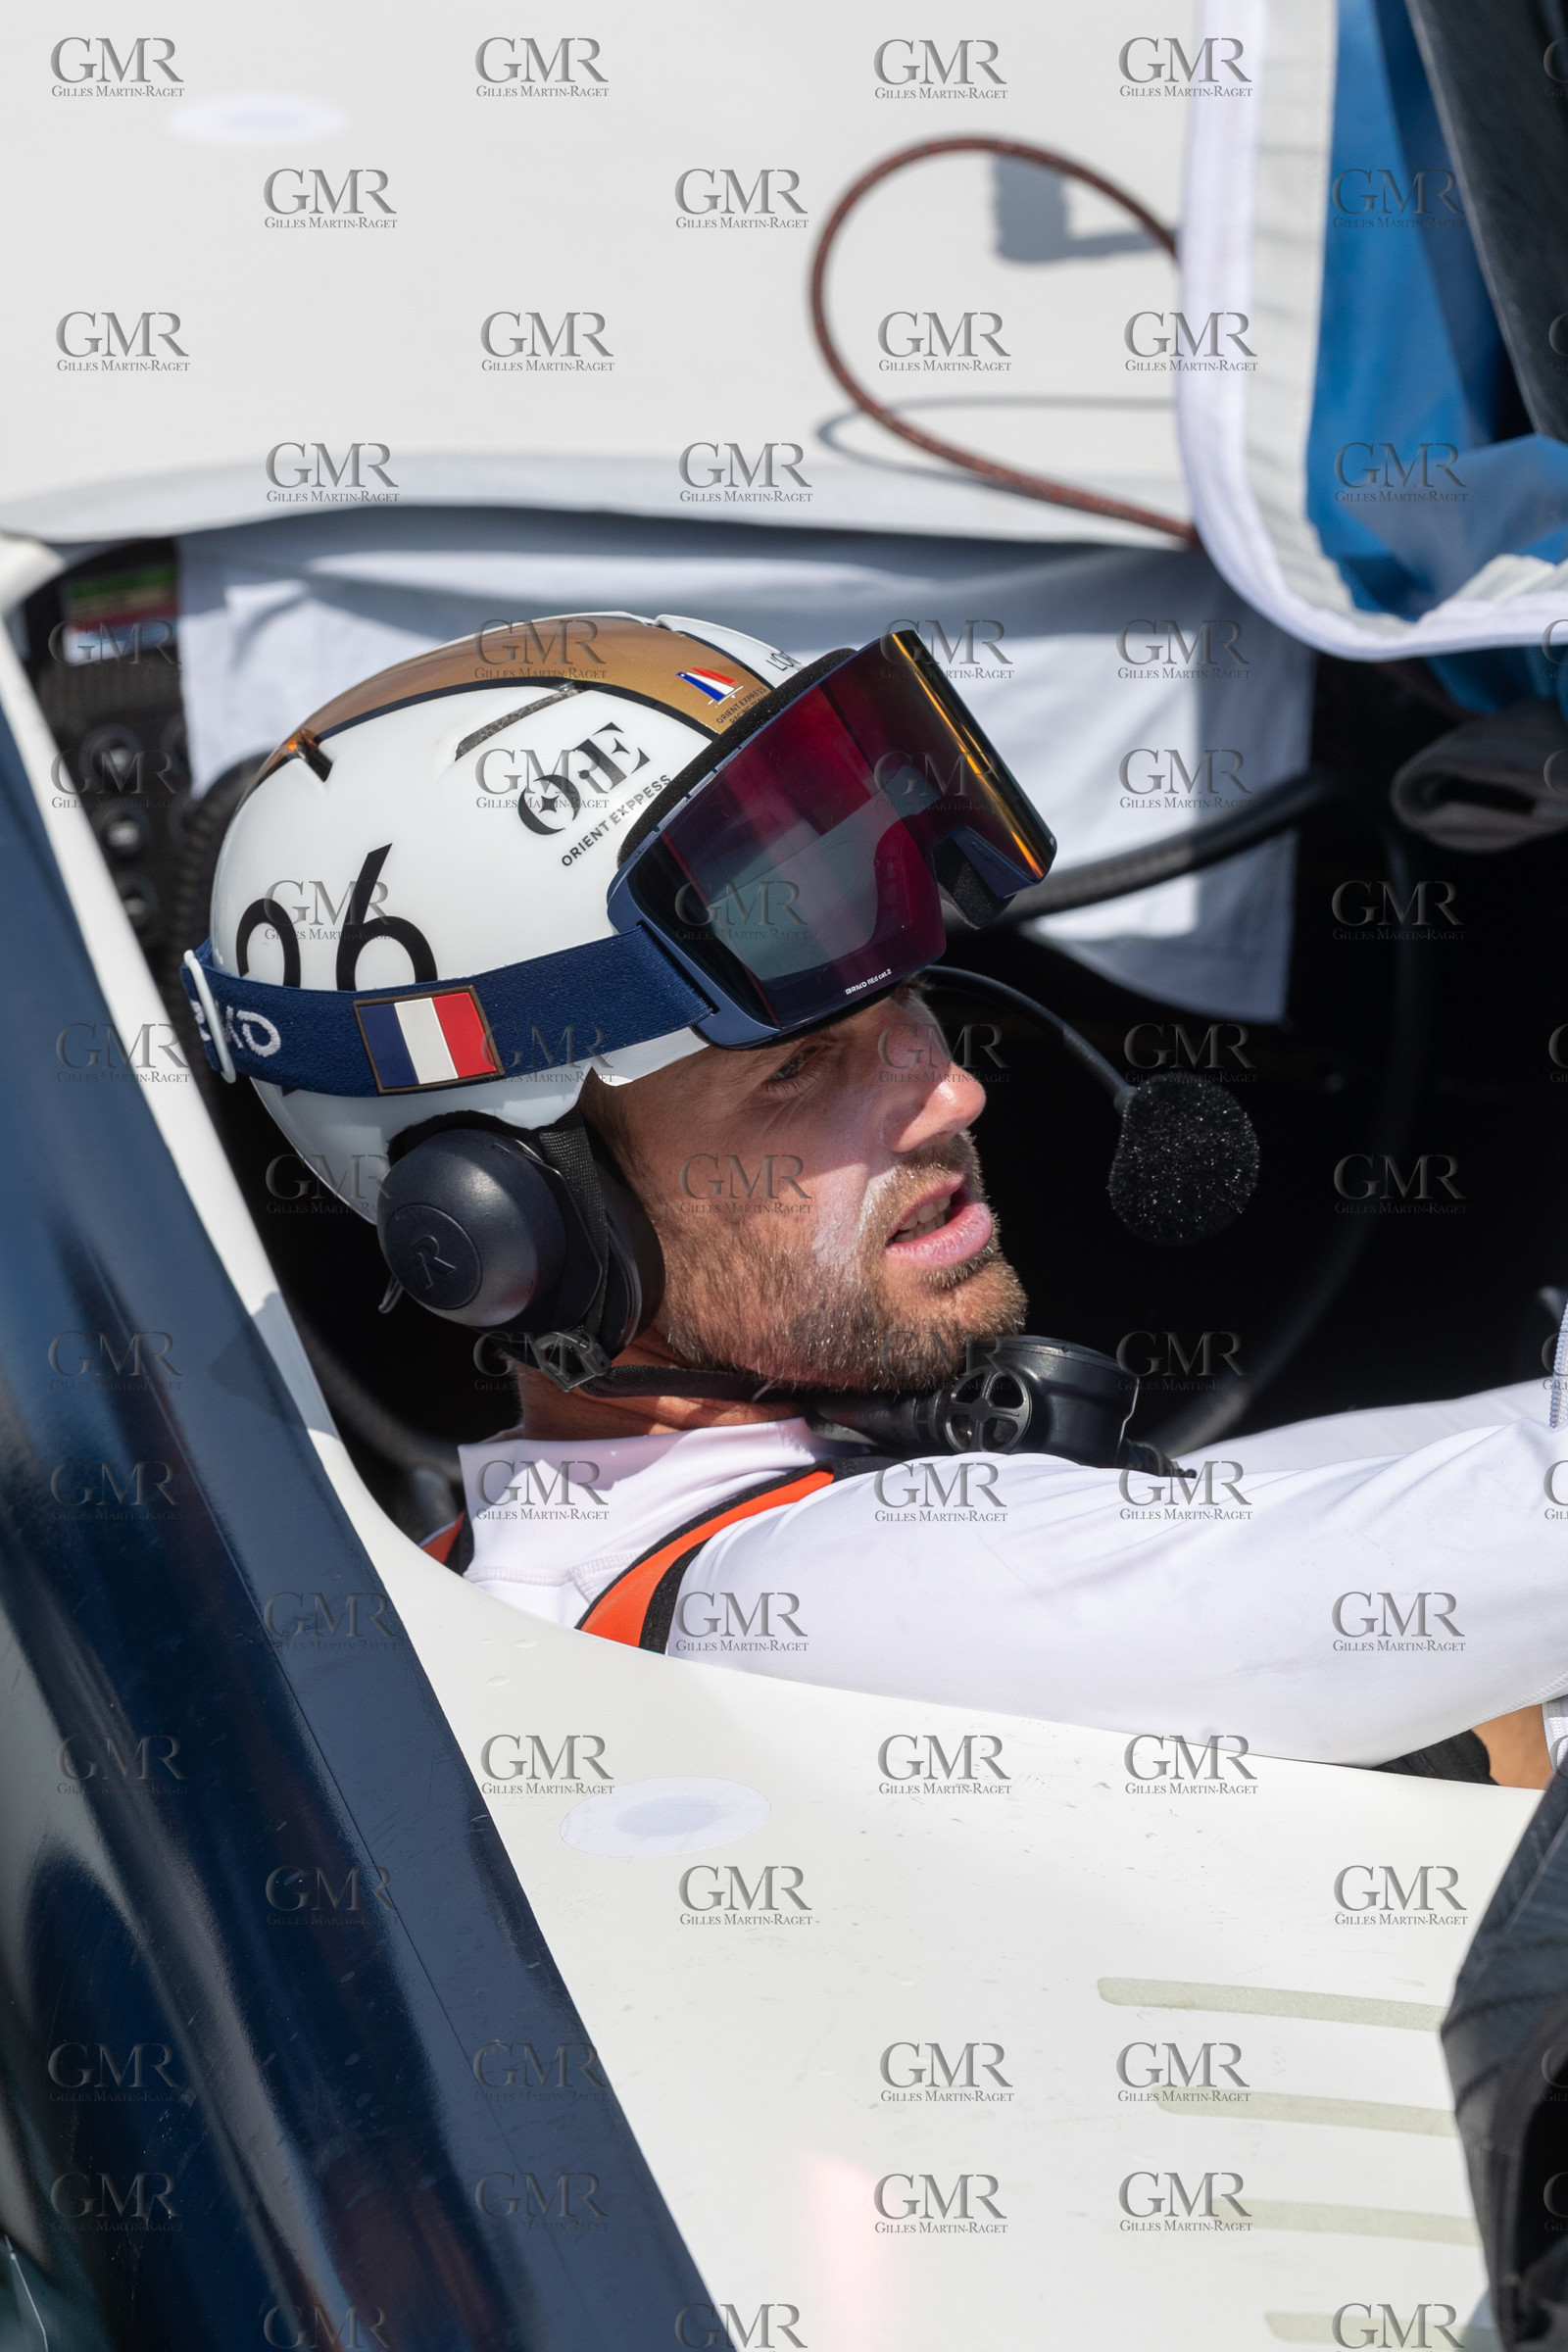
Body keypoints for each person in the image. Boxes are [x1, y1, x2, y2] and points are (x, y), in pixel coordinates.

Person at [183, 611, 1565, 1785]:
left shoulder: (555, 1556)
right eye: (799, 1075)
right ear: (506, 1220)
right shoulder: (823, 1603)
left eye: (912, 1008)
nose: (952, 1098)